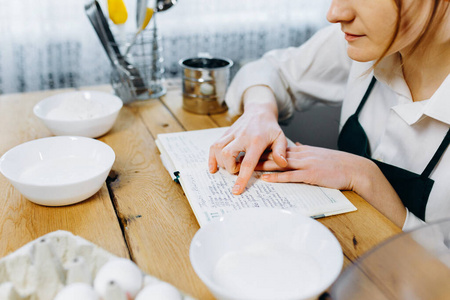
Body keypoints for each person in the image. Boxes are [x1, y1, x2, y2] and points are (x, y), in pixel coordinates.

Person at [208, 0, 450, 231]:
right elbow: (270, 69)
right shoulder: (365, 41)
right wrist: (259, 111)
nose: (334, 13)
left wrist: (366, 177)